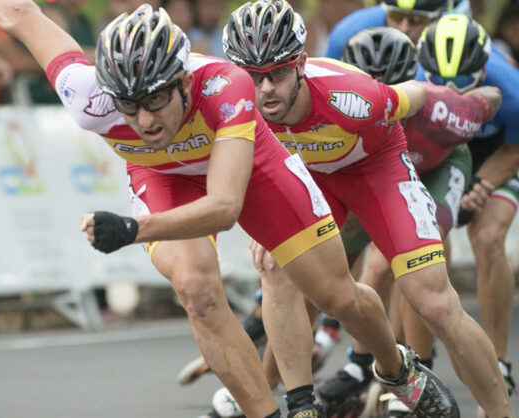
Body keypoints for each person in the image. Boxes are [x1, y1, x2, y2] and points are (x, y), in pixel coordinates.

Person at [0, 1, 460, 417]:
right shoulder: (86, 96)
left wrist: (134, 228)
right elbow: (23, 14)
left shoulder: (225, 85)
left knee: (335, 294)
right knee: (197, 290)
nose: (142, 119)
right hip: (163, 176)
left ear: (183, 81)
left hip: (242, 166)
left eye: (156, 100)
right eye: (128, 105)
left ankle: (398, 370)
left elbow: (226, 206)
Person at [222, 1, 512, 417]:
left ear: (301, 64)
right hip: (311, 176)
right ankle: (289, 401)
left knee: (433, 302)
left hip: (375, 167)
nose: (265, 89)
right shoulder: (235, 107)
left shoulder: (353, 96)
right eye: (253, 77)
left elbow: (416, 94)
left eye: (278, 73)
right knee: (276, 271)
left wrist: (463, 103)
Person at [317, 25, 503, 416]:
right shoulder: (331, 106)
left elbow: (494, 98)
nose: (376, 104)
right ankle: (359, 362)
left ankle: (421, 369)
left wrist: (485, 182)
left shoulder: (441, 105)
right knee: (345, 262)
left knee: (405, 267)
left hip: (440, 166)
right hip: (379, 171)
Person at [419, 13, 519, 408]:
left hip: (496, 155)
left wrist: (483, 185)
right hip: (441, 154)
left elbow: (514, 149)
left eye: (461, 85)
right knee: (426, 244)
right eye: (440, 83)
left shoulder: (509, 88)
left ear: (481, 70)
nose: (449, 93)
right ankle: (417, 357)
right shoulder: (410, 77)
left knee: (488, 237)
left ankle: (498, 361)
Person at [326, 0, 448, 60]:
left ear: (438, 16)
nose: (404, 28)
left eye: (416, 19)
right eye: (396, 16)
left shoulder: (452, 33)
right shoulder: (347, 35)